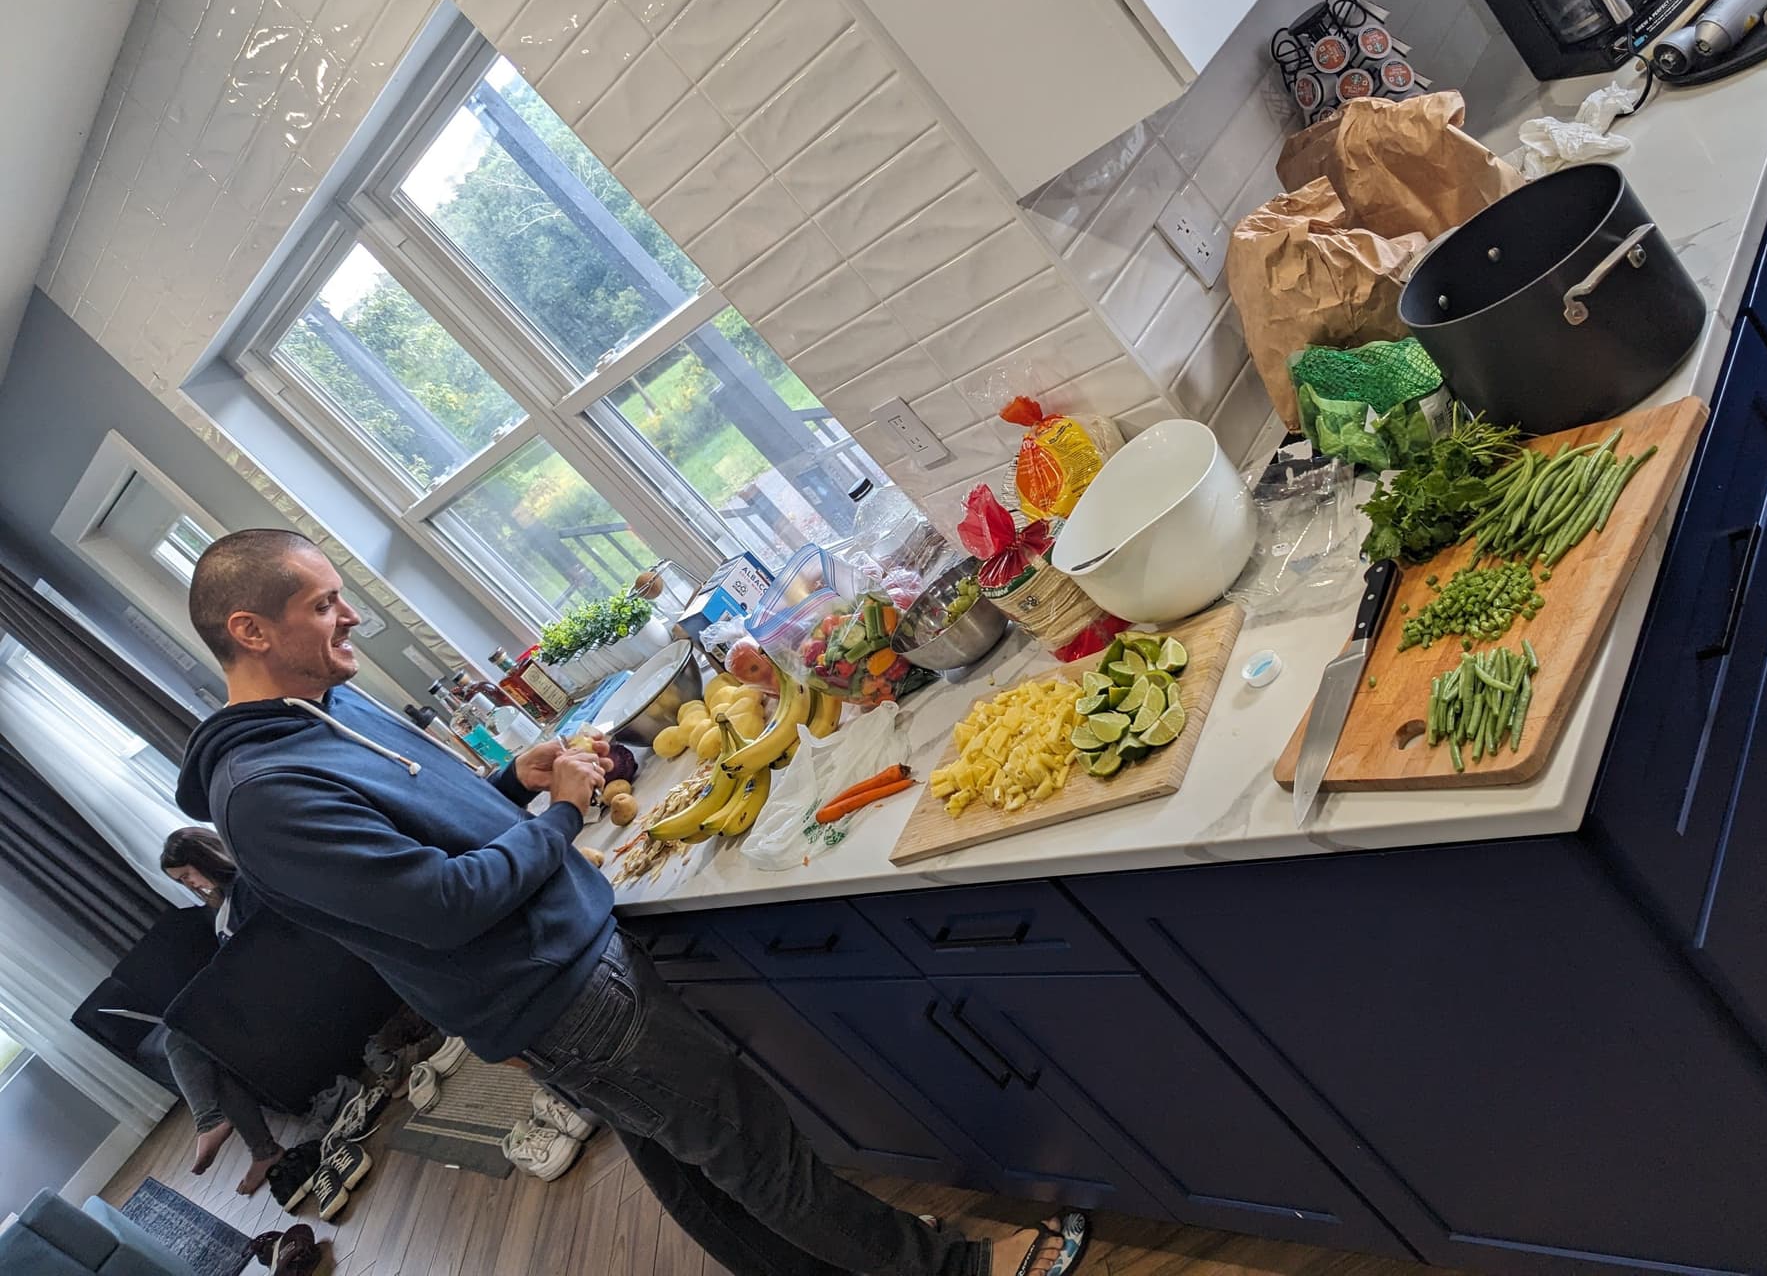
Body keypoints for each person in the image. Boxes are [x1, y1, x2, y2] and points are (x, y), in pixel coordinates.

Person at [175, 530, 1087, 1276]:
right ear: (252, 630)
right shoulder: (266, 792)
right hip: (556, 996)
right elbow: (442, 904)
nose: (350, 617)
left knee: (694, 1170)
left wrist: (507, 781)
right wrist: (565, 810)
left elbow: (416, 828)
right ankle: (961, 1274)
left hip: (561, 972)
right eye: (324, 604)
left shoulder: (322, 705)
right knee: (754, 1149)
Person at [158, 826, 284, 1194]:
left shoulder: (246, 888)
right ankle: (262, 1150)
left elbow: (262, 953)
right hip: (259, 996)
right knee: (200, 1052)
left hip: (278, 999)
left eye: (187, 875)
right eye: (181, 881)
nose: (190, 884)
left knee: (178, 1043)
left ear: (204, 857)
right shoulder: (225, 902)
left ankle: (214, 1123)